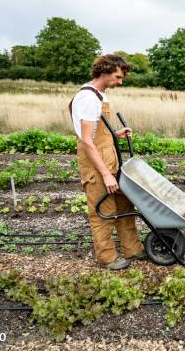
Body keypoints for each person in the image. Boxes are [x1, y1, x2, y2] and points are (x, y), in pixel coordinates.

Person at [68, 54, 146, 270]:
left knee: (124, 205)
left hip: (110, 161)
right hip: (97, 166)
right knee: (103, 211)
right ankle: (107, 257)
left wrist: (116, 134)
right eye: (118, 77)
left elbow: (97, 133)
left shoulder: (98, 95)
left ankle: (133, 249)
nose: (120, 82)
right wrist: (105, 174)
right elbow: (86, 141)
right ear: (104, 72)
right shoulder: (87, 98)